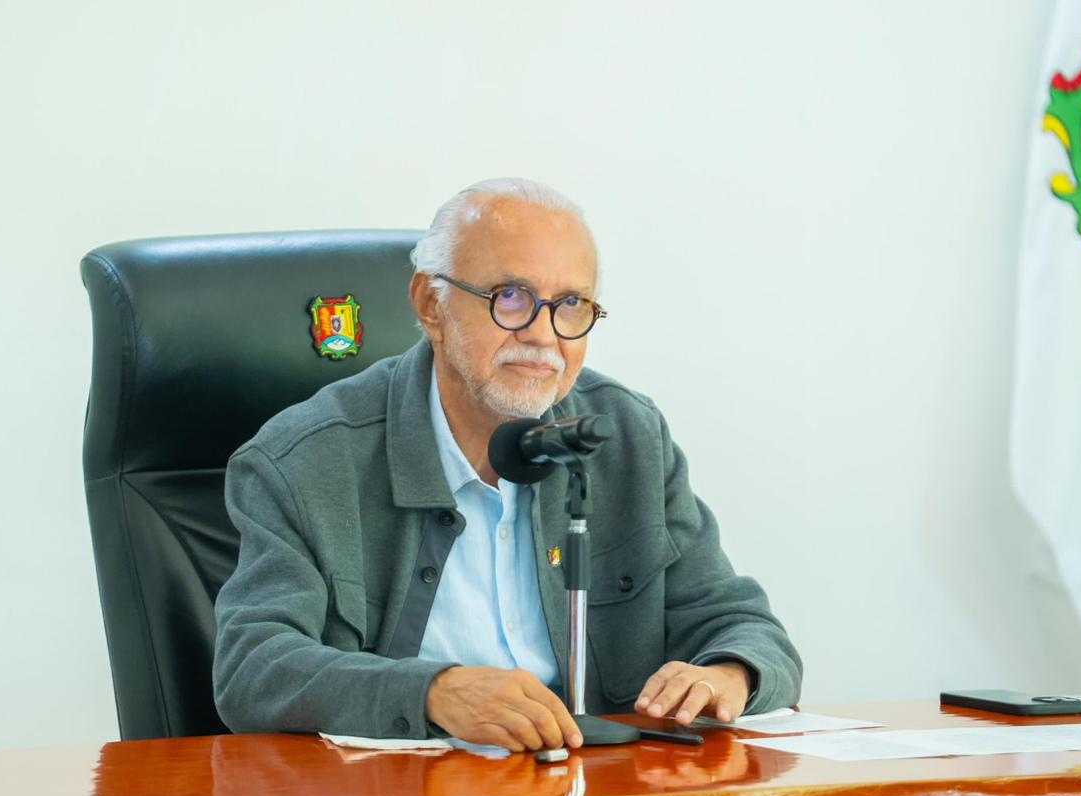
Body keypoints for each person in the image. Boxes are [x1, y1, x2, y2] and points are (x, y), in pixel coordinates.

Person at [213, 178, 802, 752]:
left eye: (570, 305)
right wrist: (433, 692)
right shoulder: (305, 459)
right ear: (431, 305)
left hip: (597, 793)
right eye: (511, 297)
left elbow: (742, 625)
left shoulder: (626, 436)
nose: (544, 335)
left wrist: (729, 674)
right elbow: (251, 666)